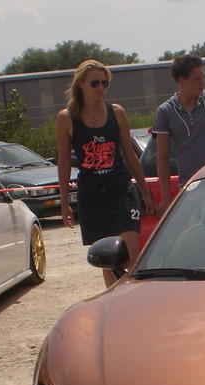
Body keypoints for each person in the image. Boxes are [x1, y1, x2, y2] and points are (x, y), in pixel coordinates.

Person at [57, 60, 154, 287]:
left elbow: (130, 155)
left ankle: (134, 296)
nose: (101, 88)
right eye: (95, 83)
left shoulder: (116, 112)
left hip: (120, 189)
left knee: (130, 255)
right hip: (92, 194)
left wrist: (145, 193)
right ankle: (115, 300)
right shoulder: (66, 118)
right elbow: (63, 162)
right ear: (81, 84)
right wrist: (64, 203)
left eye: (105, 83)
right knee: (109, 259)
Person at [152, 54, 205, 215]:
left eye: (203, 77)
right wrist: (166, 198)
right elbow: (162, 157)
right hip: (189, 187)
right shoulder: (165, 111)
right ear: (181, 81)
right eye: (197, 79)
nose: (203, 82)